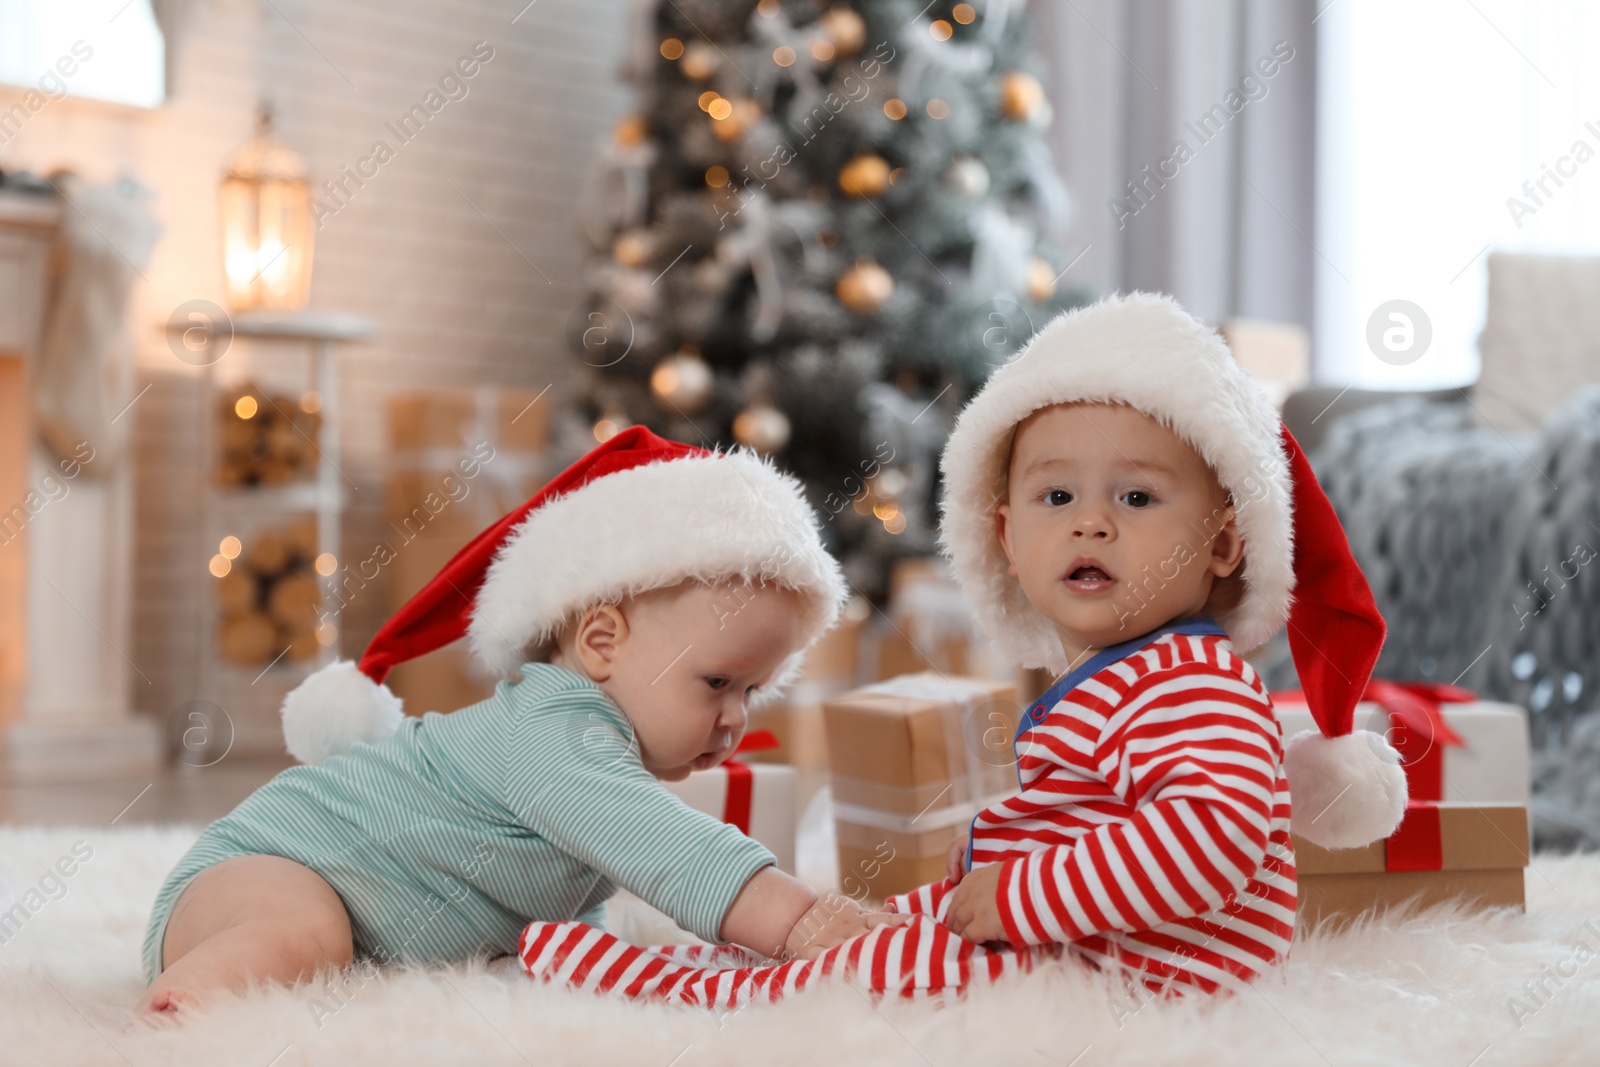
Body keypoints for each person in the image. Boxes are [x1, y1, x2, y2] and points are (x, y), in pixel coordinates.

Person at [518, 292, 1409, 1004]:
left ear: (1222, 545)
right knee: (892, 928)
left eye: (1136, 500)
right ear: (1006, 536)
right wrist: (997, 863)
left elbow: (1209, 834)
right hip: (1091, 942)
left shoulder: (1194, 683)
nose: (1091, 521)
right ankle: (762, 957)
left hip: (1133, 976)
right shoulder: (1131, 676)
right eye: (1056, 499)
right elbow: (1096, 822)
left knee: (884, 973)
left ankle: (716, 993)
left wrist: (1022, 892)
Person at [135, 426, 901, 1021]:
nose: (734, 717)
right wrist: (801, 920)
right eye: (717, 682)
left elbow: (564, 900)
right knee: (307, 936)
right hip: (256, 874)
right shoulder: (556, 731)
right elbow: (666, 846)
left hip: (317, 902)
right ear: (602, 642)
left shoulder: (599, 750)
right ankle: (185, 1013)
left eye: (754, 691)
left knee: (353, 956)